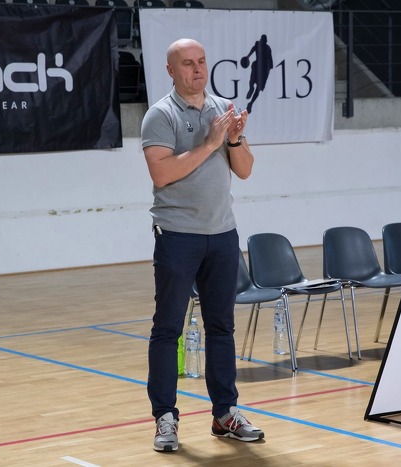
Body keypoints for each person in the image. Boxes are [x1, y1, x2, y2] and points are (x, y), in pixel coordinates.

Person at [140, 38, 264, 453]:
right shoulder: (160, 115)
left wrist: (233, 140)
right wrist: (210, 143)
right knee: (168, 329)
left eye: (202, 61)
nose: (197, 69)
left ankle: (225, 413)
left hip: (223, 234)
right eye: (187, 63)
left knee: (222, 327)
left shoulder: (222, 108)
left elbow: (245, 171)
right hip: (177, 235)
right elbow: (161, 174)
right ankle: (165, 418)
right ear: (171, 71)